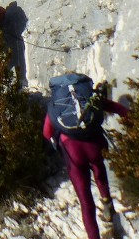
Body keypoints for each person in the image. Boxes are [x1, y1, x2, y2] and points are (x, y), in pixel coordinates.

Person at [44, 77, 129, 239]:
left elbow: (47, 133)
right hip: (94, 145)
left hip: (73, 152)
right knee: (98, 168)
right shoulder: (88, 98)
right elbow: (116, 108)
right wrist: (134, 118)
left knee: (85, 201)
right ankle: (107, 202)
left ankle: (94, 237)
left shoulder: (56, 105)